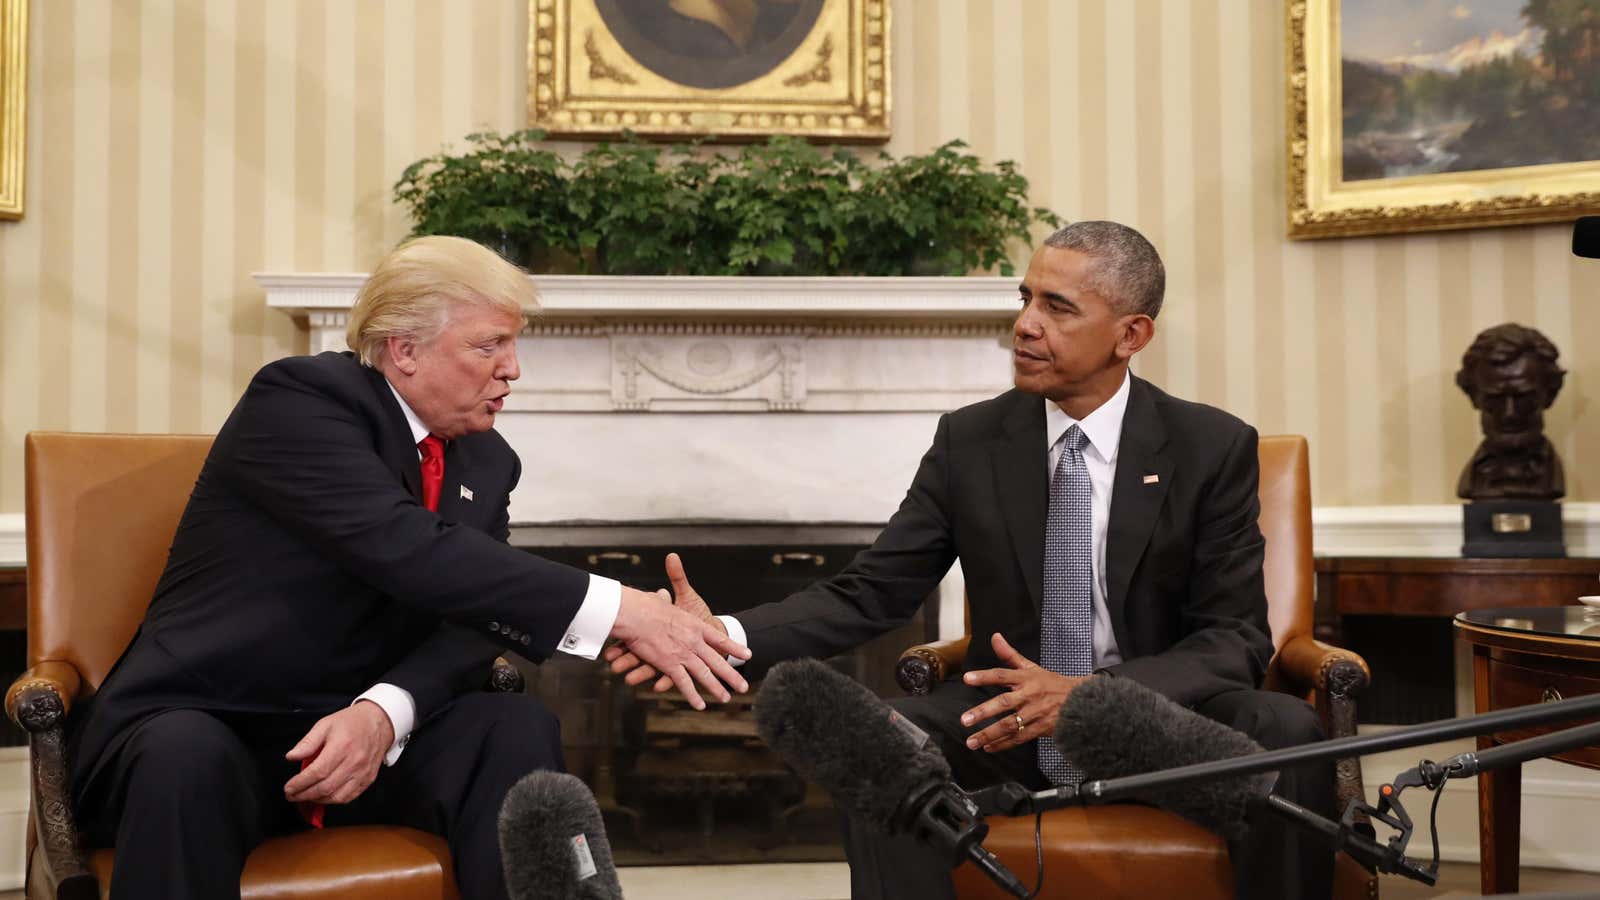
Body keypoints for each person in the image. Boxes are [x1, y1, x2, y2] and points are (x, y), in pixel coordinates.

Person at [611, 221, 1335, 900]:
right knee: (880, 742)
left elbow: (1234, 639)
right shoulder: (972, 442)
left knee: (1287, 731)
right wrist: (719, 636)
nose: (1024, 325)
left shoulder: (1209, 446)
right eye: (1025, 300)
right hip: (1006, 724)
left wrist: (1089, 698)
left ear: (1130, 335)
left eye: (1057, 307)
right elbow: (871, 592)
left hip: (1160, 722)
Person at [67, 236, 750, 900]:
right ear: (404, 351)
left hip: (366, 747)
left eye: (512, 345)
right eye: (489, 346)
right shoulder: (301, 401)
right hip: (217, 722)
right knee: (184, 755)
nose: (512, 369)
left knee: (514, 730)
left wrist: (384, 714)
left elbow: (476, 619)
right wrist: (625, 610)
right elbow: (408, 550)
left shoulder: (487, 459)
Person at [1454, 322, 1566, 500]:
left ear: (1550, 395)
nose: (1509, 413)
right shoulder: (1473, 479)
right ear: (1473, 396)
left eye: (1524, 399)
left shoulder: (1551, 475)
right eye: (1495, 399)